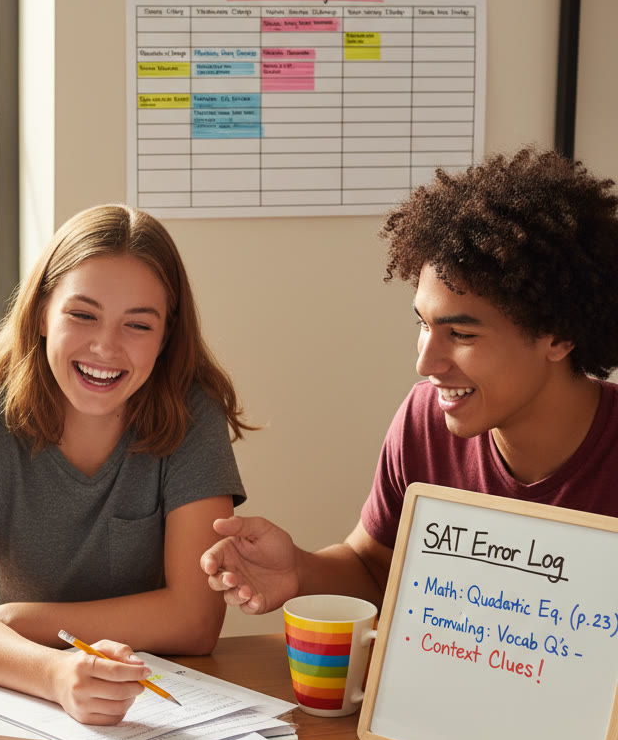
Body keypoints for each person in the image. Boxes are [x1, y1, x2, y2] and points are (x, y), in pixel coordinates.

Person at [201, 147, 618, 616]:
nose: (426, 362)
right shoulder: (426, 420)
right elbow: (374, 570)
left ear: (558, 334)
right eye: (423, 323)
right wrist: (298, 569)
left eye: (460, 333)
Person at [0, 204, 252, 724]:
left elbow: (194, 621)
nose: (105, 346)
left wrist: (15, 620)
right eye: (82, 314)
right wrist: (55, 674)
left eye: (138, 325)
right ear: (42, 313)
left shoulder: (192, 417)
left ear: (166, 337)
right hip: (24, 694)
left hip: (156, 706)